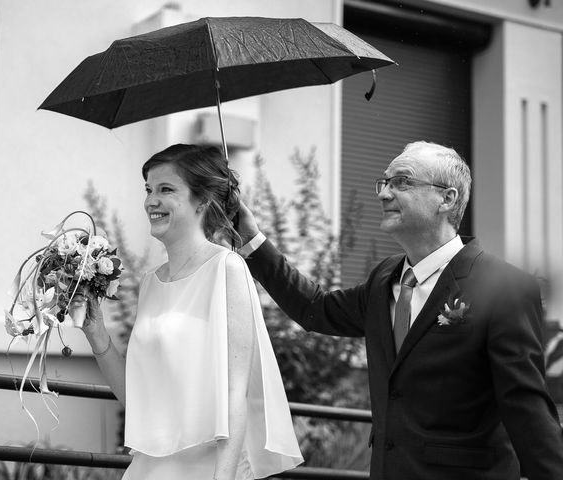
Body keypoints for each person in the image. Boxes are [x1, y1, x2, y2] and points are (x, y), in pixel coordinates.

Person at [236, 141, 563, 480]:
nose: (384, 193)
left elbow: (527, 410)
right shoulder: (383, 279)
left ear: (447, 199)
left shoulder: (505, 286)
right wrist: (252, 240)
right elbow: (315, 308)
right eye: (385, 182)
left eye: (402, 182)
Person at [71, 144, 302, 480]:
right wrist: (97, 334)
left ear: (202, 202)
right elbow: (139, 402)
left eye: (166, 189)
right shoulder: (151, 282)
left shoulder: (227, 268)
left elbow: (236, 393)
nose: (151, 200)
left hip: (208, 467)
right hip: (150, 467)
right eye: (149, 189)